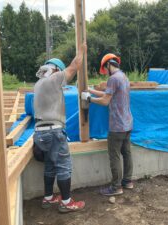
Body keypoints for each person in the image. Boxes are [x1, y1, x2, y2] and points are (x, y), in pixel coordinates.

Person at [33, 43, 87, 213]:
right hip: (54, 131)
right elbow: (74, 66)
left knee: (50, 165)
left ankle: (48, 199)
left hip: (40, 133)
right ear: (56, 69)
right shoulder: (55, 78)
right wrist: (81, 50)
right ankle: (66, 202)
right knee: (64, 166)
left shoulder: (38, 84)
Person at [81, 53, 134, 196]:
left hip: (117, 126)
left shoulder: (113, 78)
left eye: (105, 69)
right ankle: (127, 181)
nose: (106, 73)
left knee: (115, 155)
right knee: (126, 153)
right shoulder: (123, 77)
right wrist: (90, 90)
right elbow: (108, 93)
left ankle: (116, 187)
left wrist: (89, 99)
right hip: (127, 123)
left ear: (108, 65)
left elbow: (105, 101)